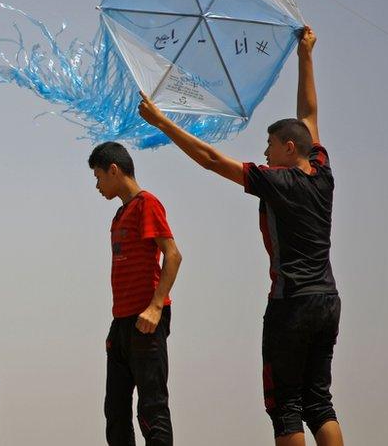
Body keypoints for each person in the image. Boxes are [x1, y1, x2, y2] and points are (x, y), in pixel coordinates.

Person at [137, 27, 344, 446]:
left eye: (270, 144)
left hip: (292, 305)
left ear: (288, 148)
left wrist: (163, 122)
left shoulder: (276, 181)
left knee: (285, 404)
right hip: (328, 300)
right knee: (319, 401)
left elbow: (212, 159)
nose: (264, 152)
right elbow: (309, 116)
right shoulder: (321, 171)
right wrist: (306, 56)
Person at [88, 141, 183, 445]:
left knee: (151, 409)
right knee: (115, 409)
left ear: (113, 170)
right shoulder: (119, 216)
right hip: (122, 322)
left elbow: (173, 255)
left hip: (147, 319)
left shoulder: (146, 204)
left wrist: (155, 307)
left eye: (98, 176)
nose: (97, 185)